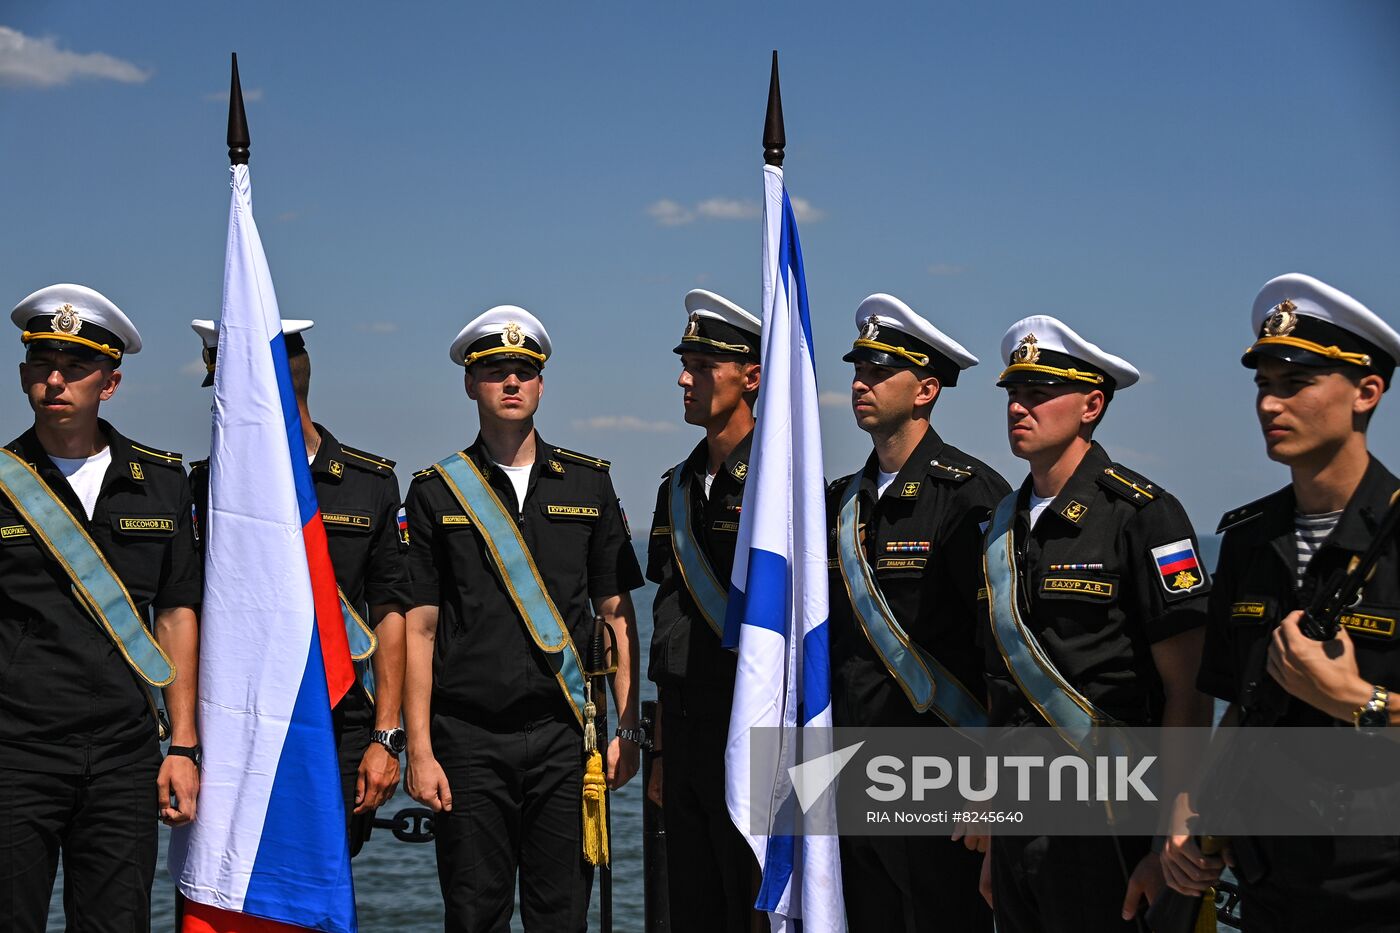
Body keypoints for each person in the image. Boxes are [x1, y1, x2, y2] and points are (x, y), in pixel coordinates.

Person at [402, 306, 644, 933]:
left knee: (560, 915)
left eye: (523, 371)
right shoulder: (435, 492)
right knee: (474, 915)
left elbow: (615, 615)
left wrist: (627, 726)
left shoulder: (590, 485)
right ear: (469, 384)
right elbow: (420, 631)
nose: (511, 383)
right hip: (467, 740)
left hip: (567, 736)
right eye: (495, 372)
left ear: (541, 385)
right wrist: (419, 749)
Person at [1180, 273, 1400, 932]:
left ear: (1367, 391)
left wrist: (1361, 703)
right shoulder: (1247, 537)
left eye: (1296, 383)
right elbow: (1237, 706)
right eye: (1263, 385)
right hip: (1266, 889)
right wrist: (1192, 819)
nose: (1271, 405)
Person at [980, 315, 1214, 931]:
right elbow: (1002, 686)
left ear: (1091, 404)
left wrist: (1170, 833)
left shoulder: (1144, 515)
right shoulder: (1000, 525)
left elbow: (1188, 692)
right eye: (1013, 393)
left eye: (1039, 393)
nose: (1018, 408)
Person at [1, 284, 201, 931]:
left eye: (75, 365)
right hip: (14, 751)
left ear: (110, 382)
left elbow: (176, 614)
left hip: (123, 753)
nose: (55, 378)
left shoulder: (161, 481)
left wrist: (184, 747)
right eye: (41, 363)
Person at [188, 317, 409, 856]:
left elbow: (389, 614)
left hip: (336, 723)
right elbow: (187, 613)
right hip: (235, 726)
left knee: (321, 889)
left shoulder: (368, 483)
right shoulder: (200, 485)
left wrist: (386, 737)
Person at [825, 293, 1007, 932]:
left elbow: (1001, 653)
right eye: (859, 370)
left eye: (880, 372)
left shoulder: (971, 497)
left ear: (926, 389)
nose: (860, 384)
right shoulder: (840, 503)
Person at [645, 289, 763, 932]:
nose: (685, 378)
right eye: (685, 362)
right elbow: (671, 621)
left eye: (704, 364)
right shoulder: (677, 488)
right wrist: (661, 755)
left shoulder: (782, 485)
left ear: (750, 377)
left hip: (753, 733)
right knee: (693, 909)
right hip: (687, 735)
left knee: (752, 909)